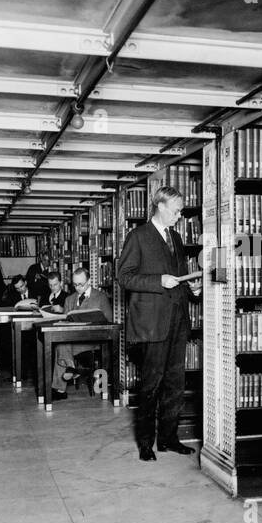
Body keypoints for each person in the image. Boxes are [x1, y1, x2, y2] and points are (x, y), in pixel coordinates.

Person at [117, 185, 202, 460]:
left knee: (175, 384)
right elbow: (124, 277)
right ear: (161, 206)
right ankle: (145, 444)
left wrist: (192, 290)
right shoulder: (138, 236)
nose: (180, 215)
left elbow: (178, 278)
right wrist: (158, 281)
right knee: (151, 385)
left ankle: (168, 438)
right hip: (152, 324)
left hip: (177, 322)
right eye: (176, 210)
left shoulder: (175, 237)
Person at [50, 266, 114, 399]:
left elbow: (109, 321)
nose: (78, 287)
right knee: (61, 344)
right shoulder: (69, 299)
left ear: (89, 281)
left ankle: (60, 388)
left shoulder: (100, 297)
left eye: (81, 284)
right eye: (75, 284)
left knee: (62, 347)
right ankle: (70, 368)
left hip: (94, 340)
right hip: (74, 340)